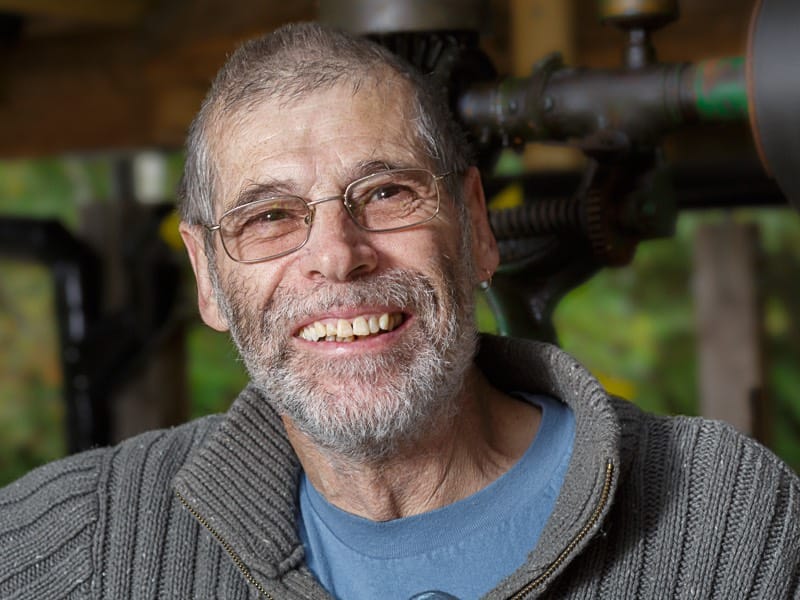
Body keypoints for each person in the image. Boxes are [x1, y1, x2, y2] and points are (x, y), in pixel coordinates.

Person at [1, 21, 799, 600]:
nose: (338, 255)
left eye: (385, 193)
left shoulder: (717, 513)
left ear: (476, 225)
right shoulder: (92, 536)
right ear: (208, 276)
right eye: (270, 216)